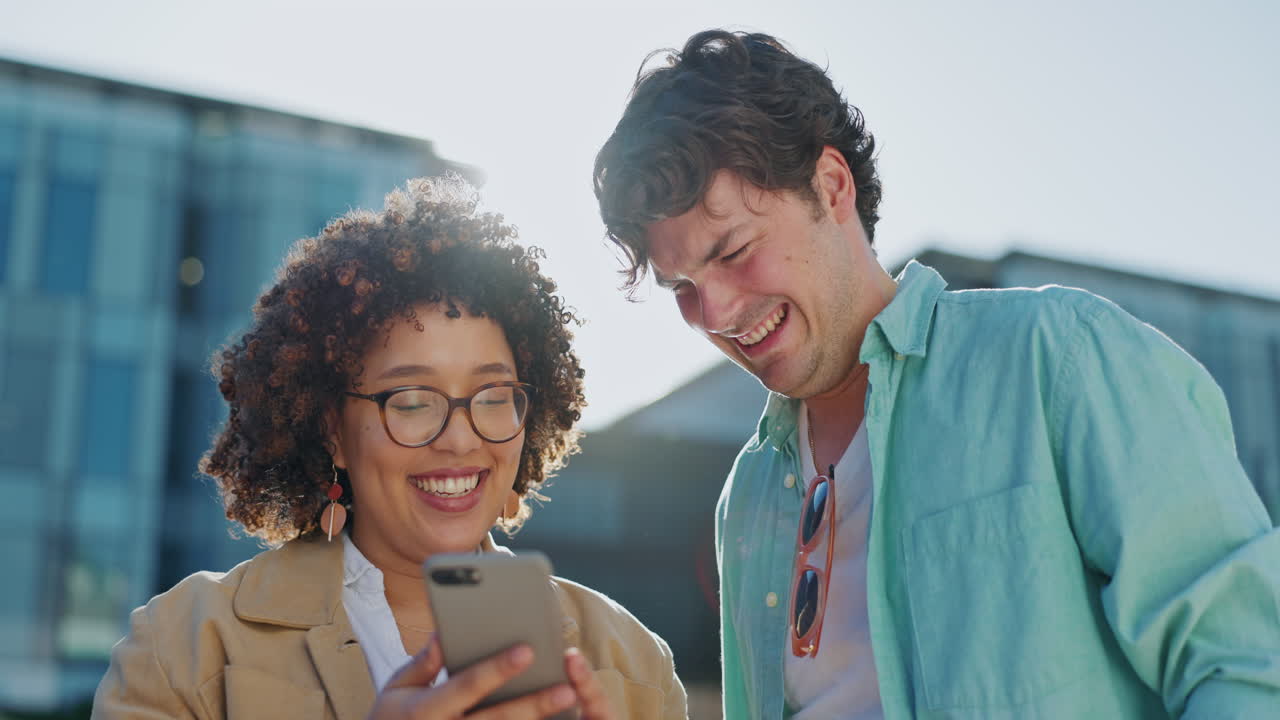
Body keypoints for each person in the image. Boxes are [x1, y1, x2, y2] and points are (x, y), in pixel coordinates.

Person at [593, 29, 1280, 719]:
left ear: (831, 186)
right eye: (680, 286)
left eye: (735, 250)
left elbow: (1247, 662)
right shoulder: (747, 493)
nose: (714, 311)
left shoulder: (1054, 359)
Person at [92, 176, 688, 719]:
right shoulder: (184, 646)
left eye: (492, 394)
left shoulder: (633, 664)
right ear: (333, 430)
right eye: (410, 399)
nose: (460, 438)